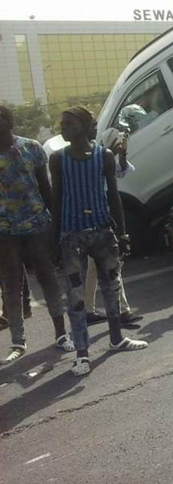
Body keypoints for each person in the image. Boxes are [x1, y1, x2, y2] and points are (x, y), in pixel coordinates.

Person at [50, 106, 147, 377]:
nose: (62, 127)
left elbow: (113, 196)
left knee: (111, 287)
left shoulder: (103, 156)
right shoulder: (58, 159)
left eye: (68, 123)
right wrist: (54, 239)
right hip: (71, 235)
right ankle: (82, 353)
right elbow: (56, 200)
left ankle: (116, 338)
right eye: (62, 123)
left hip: (103, 231)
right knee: (76, 297)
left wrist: (124, 233)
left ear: (83, 126)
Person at [0, 105, 75, 364]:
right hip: (5, 231)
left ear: (8, 121)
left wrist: (56, 226)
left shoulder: (31, 148)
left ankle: (61, 333)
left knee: (48, 279)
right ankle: (17, 342)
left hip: (37, 226)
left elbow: (46, 188)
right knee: (11, 286)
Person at [83, 127, 142, 325]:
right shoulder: (94, 156)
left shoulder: (104, 156)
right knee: (112, 265)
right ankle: (122, 312)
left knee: (95, 267)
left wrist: (122, 154)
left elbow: (122, 171)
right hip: (98, 217)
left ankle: (88, 310)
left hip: (101, 217)